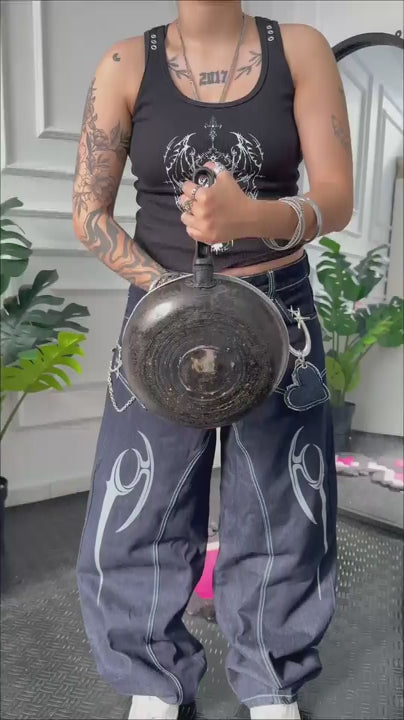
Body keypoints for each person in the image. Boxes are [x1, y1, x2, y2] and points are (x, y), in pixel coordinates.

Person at [73, 1, 353, 718]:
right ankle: (152, 681)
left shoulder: (301, 49)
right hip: (160, 311)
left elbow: (337, 198)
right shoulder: (123, 64)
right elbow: (89, 213)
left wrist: (249, 218)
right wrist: (175, 298)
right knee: (142, 500)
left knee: (283, 501)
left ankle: (271, 678)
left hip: (278, 310)